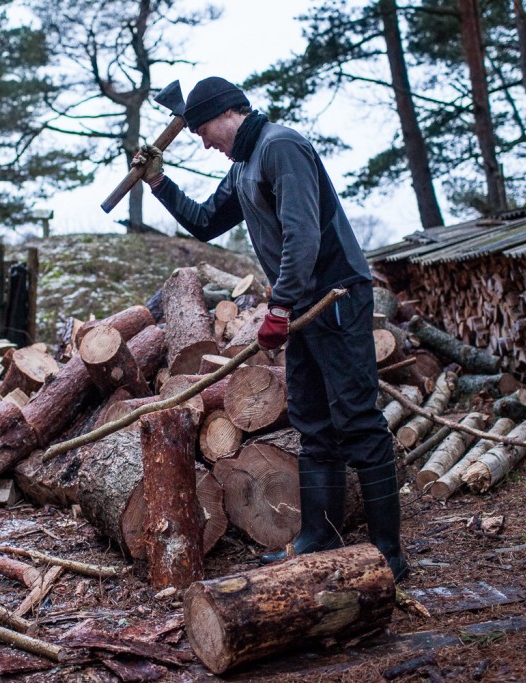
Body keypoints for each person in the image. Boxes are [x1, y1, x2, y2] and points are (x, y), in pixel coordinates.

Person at [134, 76, 409, 581]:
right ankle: (319, 536)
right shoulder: (244, 164)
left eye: (203, 130)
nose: (202, 141)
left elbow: (302, 233)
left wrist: (278, 306)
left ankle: (389, 554)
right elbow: (206, 221)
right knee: (310, 419)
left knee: (357, 419)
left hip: (335, 297)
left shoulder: (279, 146)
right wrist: (159, 183)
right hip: (303, 307)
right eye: (193, 133)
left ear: (228, 113)